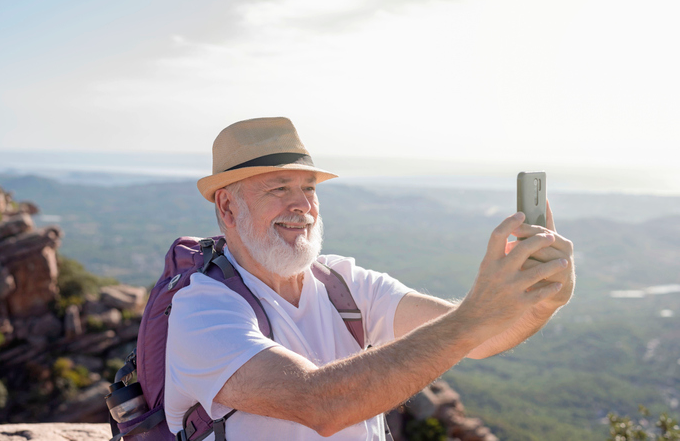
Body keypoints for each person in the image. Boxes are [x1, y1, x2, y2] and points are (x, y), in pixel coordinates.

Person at [164, 117, 575, 440]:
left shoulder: (344, 283)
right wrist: (475, 314)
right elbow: (318, 404)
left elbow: (483, 338)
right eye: (279, 188)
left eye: (309, 187)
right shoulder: (202, 309)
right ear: (228, 207)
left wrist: (540, 299)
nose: (302, 204)